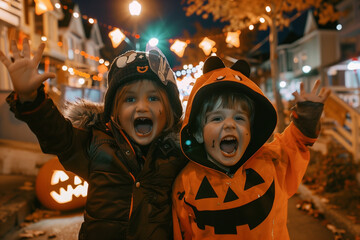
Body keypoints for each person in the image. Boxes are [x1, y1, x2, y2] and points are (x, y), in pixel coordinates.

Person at [0, 38, 187, 240]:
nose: (142, 107)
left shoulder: (178, 155)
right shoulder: (97, 144)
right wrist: (30, 98)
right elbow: (57, 136)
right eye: (130, 99)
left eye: (153, 98)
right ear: (114, 111)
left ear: (169, 111)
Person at [172, 56, 331, 240]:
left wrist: (307, 117)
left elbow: (294, 143)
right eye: (217, 118)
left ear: (250, 130)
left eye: (239, 118)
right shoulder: (185, 183)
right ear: (199, 133)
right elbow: (182, 233)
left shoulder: (270, 162)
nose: (230, 125)